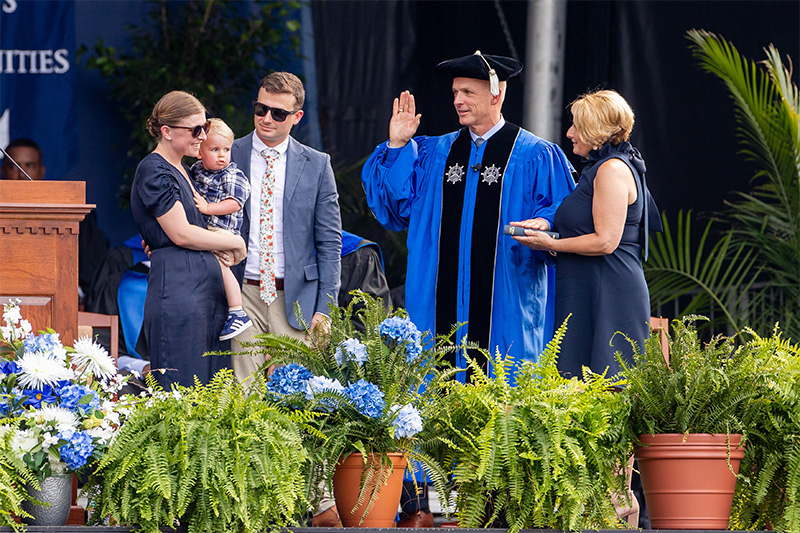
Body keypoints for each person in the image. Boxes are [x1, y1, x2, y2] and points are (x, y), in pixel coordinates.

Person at [361, 51, 576, 376]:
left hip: (506, 301)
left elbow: (564, 211)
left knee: (503, 397)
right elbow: (394, 208)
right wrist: (396, 146)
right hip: (436, 306)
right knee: (435, 386)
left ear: (496, 94)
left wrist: (544, 221)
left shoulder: (534, 155)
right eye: (455, 93)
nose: (458, 101)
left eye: (467, 93)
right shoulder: (432, 154)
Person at [229, 72, 342, 526]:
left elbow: (329, 241)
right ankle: (248, 497)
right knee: (245, 394)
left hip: (296, 296)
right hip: (241, 289)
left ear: (296, 116)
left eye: (277, 113)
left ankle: (316, 501)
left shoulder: (317, 163)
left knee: (304, 400)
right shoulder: (228, 152)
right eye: (259, 109)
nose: (266, 119)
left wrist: (325, 309)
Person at [513, 89, 658, 378]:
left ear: (596, 130)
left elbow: (606, 241)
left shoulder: (612, 170)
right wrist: (549, 230)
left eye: (576, 126)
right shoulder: (599, 169)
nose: (569, 133)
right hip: (588, 288)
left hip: (608, 291)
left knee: (608, 387)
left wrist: (549, 244)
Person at [130, 90, 246, 389]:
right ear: (166, 132)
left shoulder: (185, 168)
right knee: (183, 391)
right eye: (196, 129)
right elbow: (180, 233)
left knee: (212, 394)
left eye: (205, 127)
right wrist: (234, 242)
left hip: (203, 291)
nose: (202, 136)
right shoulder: (154, 169)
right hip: (181, 291)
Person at [1, 137, 110, 305]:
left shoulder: (74, 215)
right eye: (13, 166)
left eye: (29, 165)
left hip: (65, 304)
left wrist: (75, 295)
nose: (21, 174)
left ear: (42, 171)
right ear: (3, 171)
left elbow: (94, 265)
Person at [190, 117, 253, 341]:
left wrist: (208, 208)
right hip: (205, 228)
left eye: (226, 149)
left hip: (223, 230)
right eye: (214, 149)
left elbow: (235, 202)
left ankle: (237, 311)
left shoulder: (233, 174)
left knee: (221, 264)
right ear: (199, 152)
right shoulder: (197, 170)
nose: (221, 155)